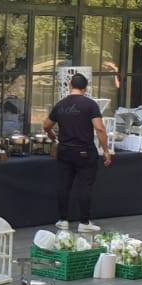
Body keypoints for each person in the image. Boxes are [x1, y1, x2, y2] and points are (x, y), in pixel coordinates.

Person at [42, 73, 113, 227]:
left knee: (64, 185)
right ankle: (84, 222)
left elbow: (46, 125)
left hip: (64, 150)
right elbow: (100, 128)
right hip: (85, 151)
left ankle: (63, 220)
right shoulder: (90, 105)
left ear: (70, 86)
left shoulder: (60, 105)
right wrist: (106, 150)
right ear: (85, 88)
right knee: (85, 186)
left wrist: (52, 136)